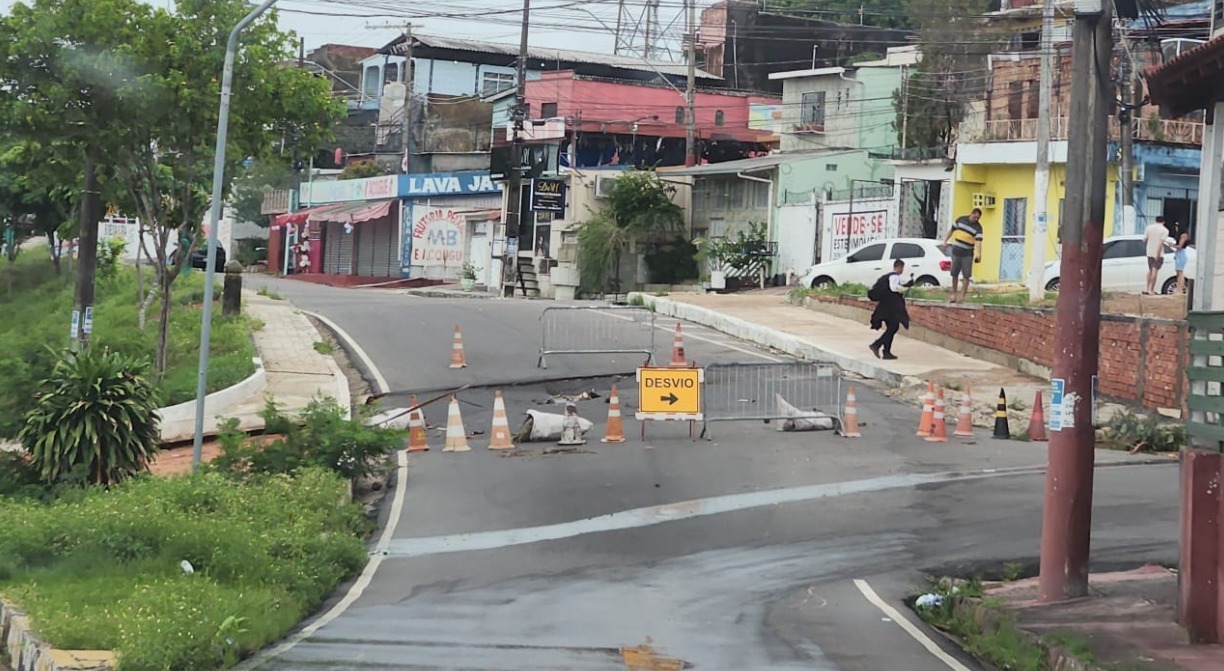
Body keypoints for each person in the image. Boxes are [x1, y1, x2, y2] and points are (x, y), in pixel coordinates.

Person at [868, 259, 913, 360]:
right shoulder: (894, 276)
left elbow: (898, 285)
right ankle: (876, 345)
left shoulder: (889, 276)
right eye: (902, 268)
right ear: (899, 267)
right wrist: (904, 289)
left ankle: (886, 352)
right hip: (890, 309)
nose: (902, 270)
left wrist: (907, 284)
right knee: (893, 327)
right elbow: (893, 288)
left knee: (891, 328)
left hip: (885, 308)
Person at [943, 207, 983, 303]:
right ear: (971, 213)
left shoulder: (978, 228)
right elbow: (951, 230)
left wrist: (979, 254)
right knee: (954, 273)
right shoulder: (961, 220)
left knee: (966, 275)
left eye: (978, 218)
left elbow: (978, 241)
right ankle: (954, 294)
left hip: (967, 253)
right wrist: (945, 241)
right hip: (956, 251)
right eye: (975, 217)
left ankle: (962, 295)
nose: (976, 219)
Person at [1143, 216, 1170, 295]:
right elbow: (1161, 243)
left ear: (1155, 220)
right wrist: (1157, 254)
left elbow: (1144, 239)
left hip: (1149, 252)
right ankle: (1151, 289)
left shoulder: (1149, 228)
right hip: (1158, 254)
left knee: (1150, 270)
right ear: (1163, 222)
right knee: (1155, 271)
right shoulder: (1164, 230)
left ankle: (1147, 288)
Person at [1172, 221, 1190, 294]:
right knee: (1178, 272)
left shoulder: (1183, 235)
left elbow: (1180, 246)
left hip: (1181, 253)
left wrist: (1173, 245)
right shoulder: (1181, 234)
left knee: (1180, 273)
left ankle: (1180, 289)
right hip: (1179, 253)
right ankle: (1179, 288)